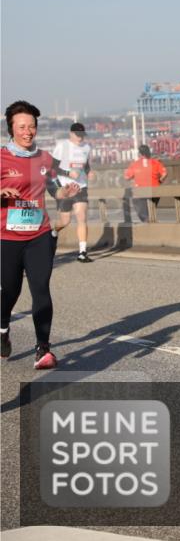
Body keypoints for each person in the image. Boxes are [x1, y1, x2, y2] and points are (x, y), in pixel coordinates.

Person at [2, 101, 81, 368]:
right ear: (11, 128)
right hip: (6, 237)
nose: (28, 131)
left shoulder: (45, 159)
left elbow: (54, 189)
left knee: (41, 289)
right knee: (10, 290)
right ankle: (2, 329)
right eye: (22, 127)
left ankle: (43, 349)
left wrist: (64, 193)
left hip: (39, 235)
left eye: (32, 126)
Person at [52, 122, 93, 262]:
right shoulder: (61, 146)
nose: (80, 138)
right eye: (77, 135)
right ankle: (54, 231)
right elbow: (52, 168)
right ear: (71, 133)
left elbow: (86, 165)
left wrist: (90, 172)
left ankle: (82, 252)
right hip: (65, 188)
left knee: (81, 216)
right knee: (65, 221)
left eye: (82, 135)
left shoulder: (87, 147)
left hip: (81, 187)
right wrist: (68, 173)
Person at [123, 145, 167, 222]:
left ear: (139, 154)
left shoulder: (134, 164)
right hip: (154, 190)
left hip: (140, 191)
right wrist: (159, 181)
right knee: (151, 210)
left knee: (140, 209)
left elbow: (127, 177)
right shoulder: (156, 162)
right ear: (149, 153)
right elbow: (164, 174)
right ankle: (151, 220)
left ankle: (147, 221)